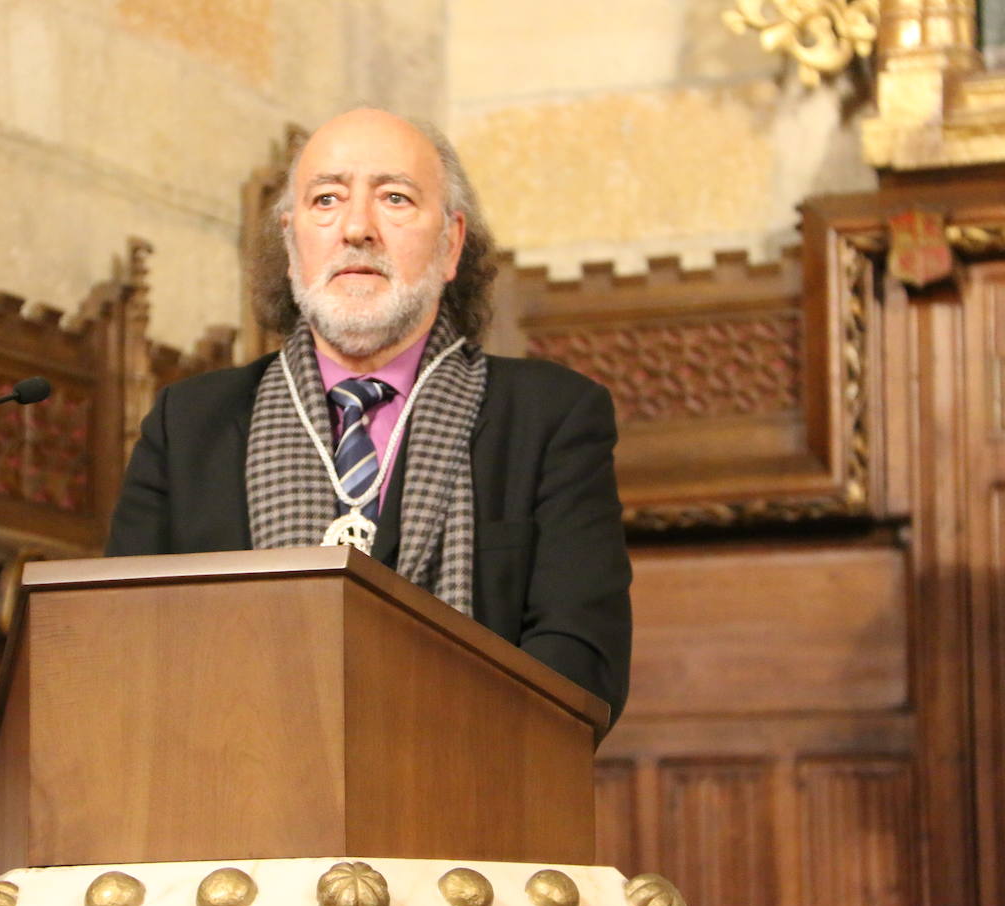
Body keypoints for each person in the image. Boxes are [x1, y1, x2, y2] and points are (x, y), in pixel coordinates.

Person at [107, 108, 632, 724]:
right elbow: (127, 644)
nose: (357, 227)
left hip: (468, 795)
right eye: (326, 199)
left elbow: (579, 655)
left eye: (395, 198)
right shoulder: (189, 424)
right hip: (238, 794)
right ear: (290, 238)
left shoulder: (551, 418)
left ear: (451, 244)